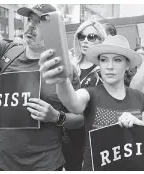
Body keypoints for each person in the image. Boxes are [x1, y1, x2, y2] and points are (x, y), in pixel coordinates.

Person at [39, 34, 144, 171]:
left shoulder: (140, 98)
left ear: (127, 65)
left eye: (117, 60)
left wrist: (139, 125)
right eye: (104, 60)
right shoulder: (90, 94)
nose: (109, 66)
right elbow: (73, 103)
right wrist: (61, 79)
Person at [0, 4, 81, 171]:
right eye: (29, 20)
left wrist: (56, 117)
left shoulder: (62, 68)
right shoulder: (4, 52)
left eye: (39, 22)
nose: (30, 26)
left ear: (54, 29)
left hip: (44, 165)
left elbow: (80, 119)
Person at [62, 19, 107, 171]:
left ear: (102, 40)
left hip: (92, 135)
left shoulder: (105, 69)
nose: (85, 40)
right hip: (65, 134)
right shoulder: (69, 66)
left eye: (92, 37)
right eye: (82, 36)